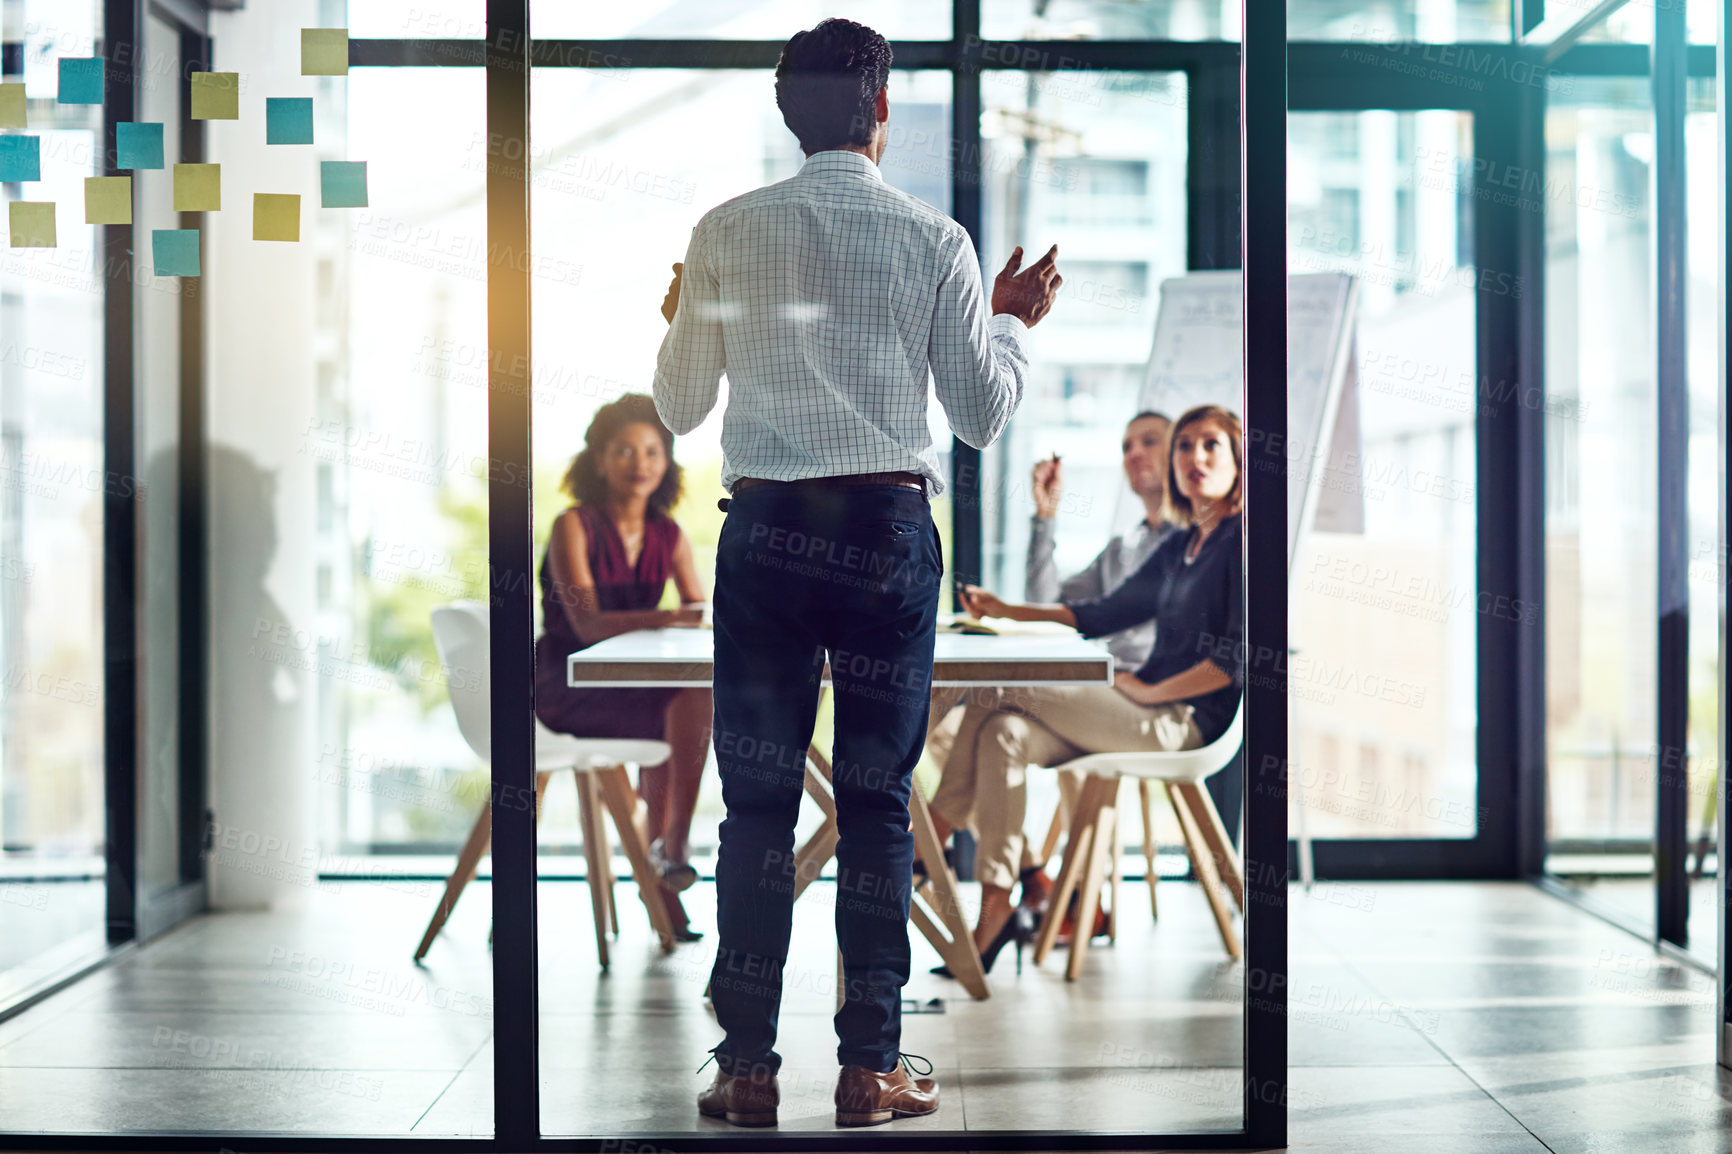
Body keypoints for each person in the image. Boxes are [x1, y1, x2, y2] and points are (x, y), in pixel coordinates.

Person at [652, 17, 1061, 1129]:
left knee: (755, 806)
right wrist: (1010, 326)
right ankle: (869, 1065)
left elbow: (680, 407)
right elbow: (980, 416)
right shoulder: (937, 240)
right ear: (880, 111)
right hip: (885, 532)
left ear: (789, 116)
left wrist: (680, 316)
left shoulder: (725, 233)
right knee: (879, 803)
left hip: (769, 535)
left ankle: (744, 1065)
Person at [939, 404, 1246, 965]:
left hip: (1181, 721)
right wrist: (1009, 609)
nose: (1194, 458)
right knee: (1001, 731)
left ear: (1239, 462)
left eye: (1211, 447)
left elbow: (1237, 658)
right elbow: (1101, 613)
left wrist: (1153, 692)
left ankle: (926, 838)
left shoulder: (1241, 542)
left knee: (991, 687)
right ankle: (996, 904)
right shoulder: (1182, 546)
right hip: (1137, 707)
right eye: (1185, 446)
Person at [533, 394, 712, 942]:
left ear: (668, 461)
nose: (641, 463)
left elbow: (698, 616)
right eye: (625, 451)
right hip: (568, 685)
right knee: (682, 712)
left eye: (653, 452)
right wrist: (667, 617)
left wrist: (680, 618)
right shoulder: (574, 526)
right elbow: (586, 628)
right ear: (600, 458)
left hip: (634, 687)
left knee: (694, 700)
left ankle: (669, 848)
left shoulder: (670, 534)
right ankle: (664, 863)